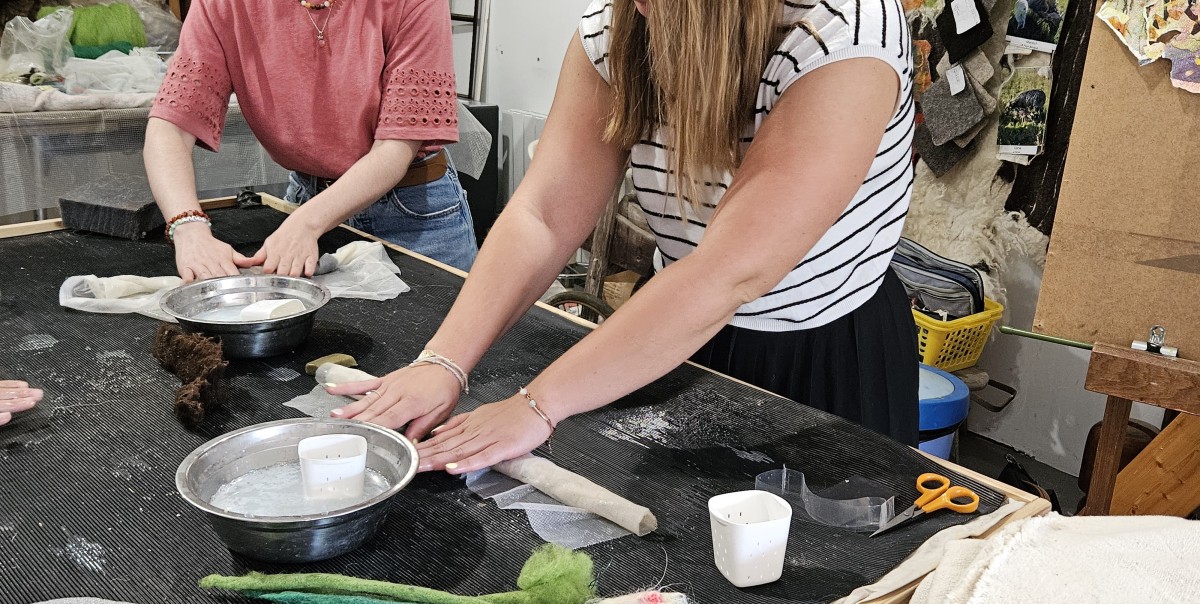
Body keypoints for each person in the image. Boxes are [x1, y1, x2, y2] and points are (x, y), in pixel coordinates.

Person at [328, 0, 919, 473]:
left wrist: (537, 404)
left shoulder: (845, 31)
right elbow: (544, 214)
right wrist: (444, 362)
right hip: (670, 329)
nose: (632, 7)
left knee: (830, 582)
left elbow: (731, 271)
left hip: (822, 352)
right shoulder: (619, 24)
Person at [144, 0, 477, 282]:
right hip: (305, 200)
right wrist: (187, 225)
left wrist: (306, 223)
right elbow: (171, 125)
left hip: (413, 212)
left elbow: (395, 148)